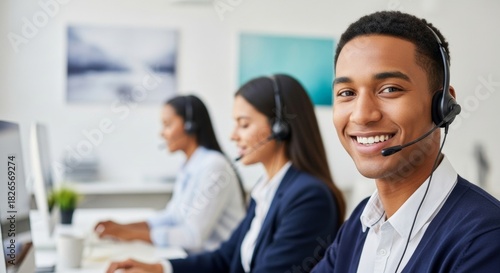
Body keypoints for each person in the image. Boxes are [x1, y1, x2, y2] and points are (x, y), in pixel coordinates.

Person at [312, 11, 500, 273]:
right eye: (347, 93)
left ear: (443, 106)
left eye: (390, 89)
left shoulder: (486, 240)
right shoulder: (361, 223)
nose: (362, 115)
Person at [106, 74, 346, 273]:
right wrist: (159, 268)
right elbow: (224, 258)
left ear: (279, 127)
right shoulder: (267, 189)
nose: (233, 135)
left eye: (243, 124)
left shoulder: (309, 198)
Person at [95, 95, 246, 253]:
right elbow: (173, 216)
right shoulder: (190, 164)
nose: (162, 133)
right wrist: (122, 227)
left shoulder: (214, 166)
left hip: (216, 264)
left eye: (167, 125)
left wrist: (131, 234)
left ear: (189, 126)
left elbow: (193, 237)